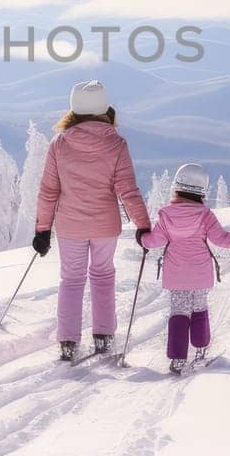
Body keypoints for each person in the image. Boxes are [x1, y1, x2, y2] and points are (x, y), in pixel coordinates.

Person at [32, 80, 151, 361]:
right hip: (104, 226)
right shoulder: (117, 144)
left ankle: (68, 341)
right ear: (105, 107)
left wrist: (42, 230)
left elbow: (49, 191)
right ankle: (103, 335)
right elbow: (128, 190)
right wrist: (143, 225)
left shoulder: (59, 144)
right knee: (102, 276)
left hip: (70, 227)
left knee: (71, 280)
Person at [139, 163, 230, 374]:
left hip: (176, 276)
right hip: (200, 274)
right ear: (203, 190)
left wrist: (141, 237)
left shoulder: (166, 216)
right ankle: (200, 350)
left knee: (179, 313)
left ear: (176, 187)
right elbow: (223, 239)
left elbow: (152, 242)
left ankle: (177, 359)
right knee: (199, 310)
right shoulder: (205, 215)